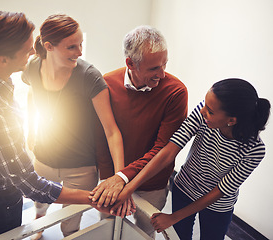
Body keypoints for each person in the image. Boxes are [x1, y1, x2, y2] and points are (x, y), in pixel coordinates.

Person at [0, 10, 111, 240]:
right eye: (27, 49)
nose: (34, 51)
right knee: (1, 235)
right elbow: (29, 183)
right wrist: (91, 199)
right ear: (4, 59)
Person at [108, 78, 271, 239]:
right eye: (205, 104)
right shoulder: (203, 114)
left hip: (218, 205)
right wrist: (129, 187)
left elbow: (220, 190)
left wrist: (173, 217)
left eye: (210, 111)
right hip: (184, 188)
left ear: (231, 121)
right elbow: (169, 151)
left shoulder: (254, 150)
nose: (202, 111)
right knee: (179, 236)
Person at [22, 14, 126, 237]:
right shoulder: (32, 67)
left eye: (81, 45)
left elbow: (111, 131)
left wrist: (119, 178)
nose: (79, 52)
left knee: (70, 221)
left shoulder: (89, 77)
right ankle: (38, 227)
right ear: (48, 46)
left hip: (81, 166)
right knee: (40, 205)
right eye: (72, 47)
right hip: (44, 157)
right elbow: (31, 93)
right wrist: (31, 128)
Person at [90, 26, 188, 236]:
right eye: (153, 68)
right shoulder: (106, 84)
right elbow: (101, 137)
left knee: (144, 232)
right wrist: (110, 178)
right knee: (108, 228)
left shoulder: (176, 92)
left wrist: (124, 180)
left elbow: (163, 148)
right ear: (130, 63)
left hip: (152, 183)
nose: (161, 74)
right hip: (113, 178)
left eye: (164, 65)